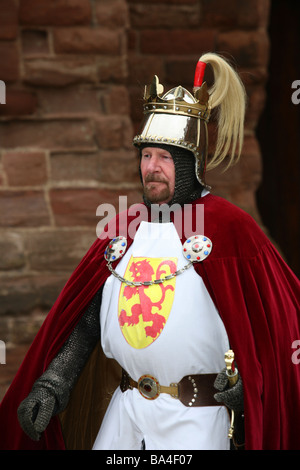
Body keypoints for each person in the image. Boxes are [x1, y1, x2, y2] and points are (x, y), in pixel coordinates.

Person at [0, 52, 299, 451]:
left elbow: (277, 326)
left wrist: (252, 384)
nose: (151, 167)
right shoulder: (123, 228)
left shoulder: (232, 230)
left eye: (164, 156)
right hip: (125, 418)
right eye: (145, 155)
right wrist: (53, 384)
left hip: (199, 422)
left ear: (192, 162)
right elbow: (88, 323)